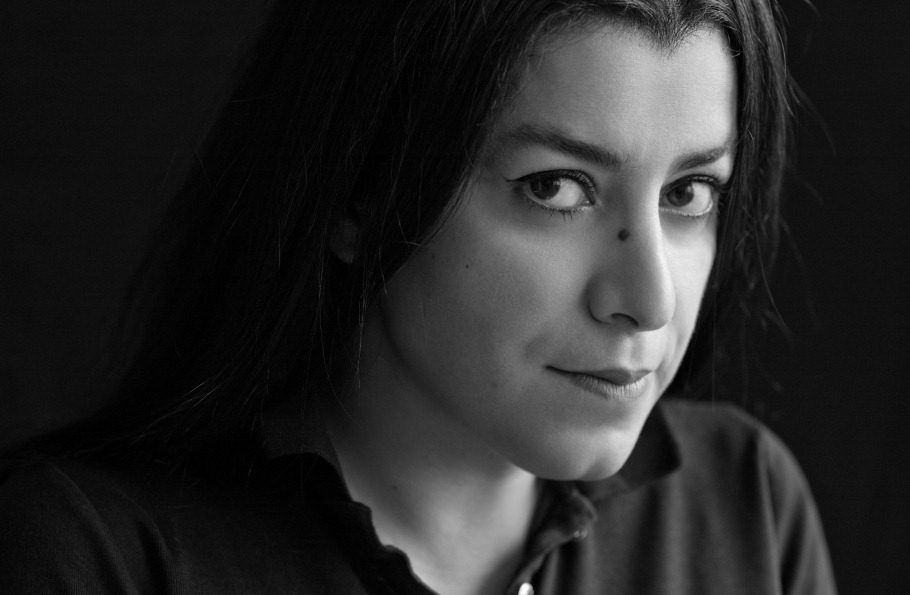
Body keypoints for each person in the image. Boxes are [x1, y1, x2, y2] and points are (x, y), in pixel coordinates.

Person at [0, 0, 837, 593]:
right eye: (555, 188)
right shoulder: (92, 557)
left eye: (689, 193)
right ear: (356, 197)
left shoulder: (748, 507)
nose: (649, 300)